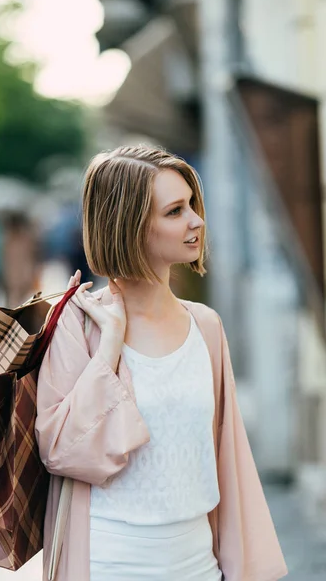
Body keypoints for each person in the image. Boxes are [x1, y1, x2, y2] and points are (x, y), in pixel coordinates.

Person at [35, 145, 288, 581]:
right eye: (175, 211)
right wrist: (110, 346)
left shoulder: (205, 326)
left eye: (192, 205)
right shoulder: (80, 326)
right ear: (130, 226)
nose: (197, 221)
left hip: (197, 562)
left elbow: (229, 459)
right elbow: (60, 449)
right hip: (110, 562)